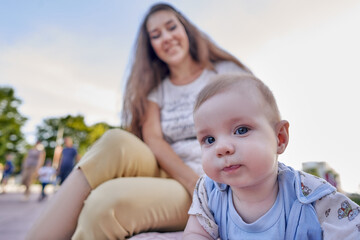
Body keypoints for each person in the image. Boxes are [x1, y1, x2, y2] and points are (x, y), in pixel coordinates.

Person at [26, 3, 251, 240]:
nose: (166, 38)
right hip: (172, 172)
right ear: (151, 46)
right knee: (115, 141)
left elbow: (255, 127)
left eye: (171, 27)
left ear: (186, 29)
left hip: (210, 179)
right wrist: (191, 183)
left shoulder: (226, 72)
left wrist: (213, 189)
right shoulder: (156, 90)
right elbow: (153, 139)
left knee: (105, 205)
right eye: (156, 35)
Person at [183, 74, 360, 239]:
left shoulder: (311, 195)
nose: (221, 148)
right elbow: (196, 234)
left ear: (279, 138)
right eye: (209, 139)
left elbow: (352, 229)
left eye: (241, 130)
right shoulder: (210, 191)